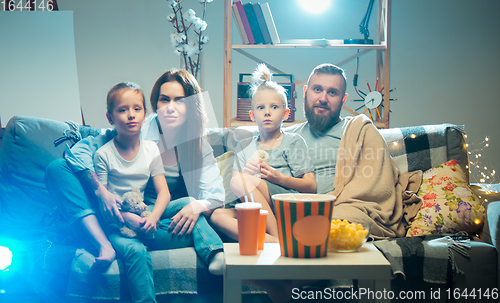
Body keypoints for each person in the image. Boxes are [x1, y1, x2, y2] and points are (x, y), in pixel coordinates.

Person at [44, 69, 225, 303]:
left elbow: (215, 195)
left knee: (190, 208)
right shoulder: (135, 128)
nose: (170, 107)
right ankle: (102, 240)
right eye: (164, 99)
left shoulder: (197, 146)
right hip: (115, 210)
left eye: (179, 100)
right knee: (57, 168)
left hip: (153, 215)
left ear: (191, 106)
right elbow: (77, 155)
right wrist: (102, 192)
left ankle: (214, 253)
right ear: (154, 105)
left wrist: (196, 206)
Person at [210, 64, 316, 243]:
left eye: (274, 107)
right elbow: (237, 183)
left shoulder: (293, 141)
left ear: (286, 113)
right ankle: (274, 241)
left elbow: (311, 186)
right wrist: (247, 175)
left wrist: (278, 177)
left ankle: (277, 235)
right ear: (252, 115)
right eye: (261, 108)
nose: (267, 112)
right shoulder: (245, 145)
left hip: (285, 206)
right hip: (254, 208)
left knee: (239, 179)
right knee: (218, 216)